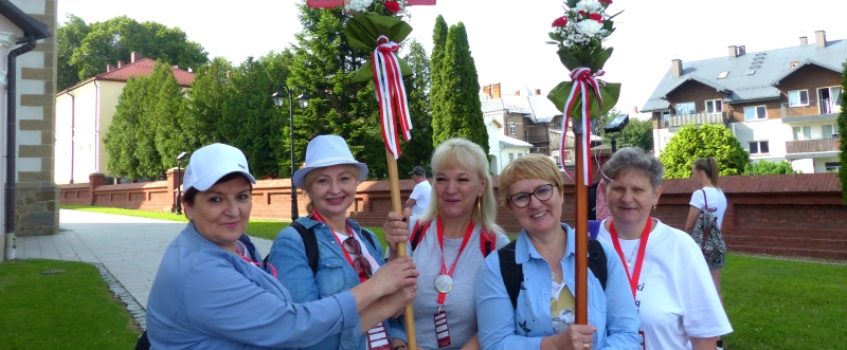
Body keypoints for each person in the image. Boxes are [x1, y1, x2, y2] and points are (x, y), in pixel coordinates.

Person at [146, 143, 418, 349]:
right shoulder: (201, 269)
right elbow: (295, 326)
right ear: (188, 207)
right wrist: (378, 288)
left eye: (241, 197)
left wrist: (396, 334)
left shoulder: (239, 246)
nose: (233, 211)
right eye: (215, 199)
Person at [475, 153, 640, 350]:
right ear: (511, 206)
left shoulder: (600, 255)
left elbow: (626, 333)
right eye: (521, 197)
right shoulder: (497, 268)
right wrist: (552, 345)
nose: (535, 203)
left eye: (543, 191)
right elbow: (494, 344)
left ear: (561, 194)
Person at [267, 135, 410, 350]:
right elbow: (306, 333)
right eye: (322, 180)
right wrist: (383, 304)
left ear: (356, 183)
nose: (335, 190)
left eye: (344, 178)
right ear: (308, 188)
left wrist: (399, 341)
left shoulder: (367, 238)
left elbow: (394, 310)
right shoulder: (293, 242)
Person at [594, 147, 732, 349]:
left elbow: (705, 336)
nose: (627, 197)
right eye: (618, 188)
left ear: (656, 195)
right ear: (604, 191)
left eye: (638, 190)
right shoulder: (587, 242)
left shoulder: (680, 248)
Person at [384, 138, 510, 350]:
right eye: (442, 179)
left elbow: (499, 323)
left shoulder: (495, 244)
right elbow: (389, 309)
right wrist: (399, 345)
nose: (450, 189)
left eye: (462, 180)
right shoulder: (410, 232)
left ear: (481, 186)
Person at [683, 157, 728, 289]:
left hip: (701, 246)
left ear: (701, 172)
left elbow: (689, 226)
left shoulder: (700, 194)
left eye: (694, 172)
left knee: (697, 286)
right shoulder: (720, 194)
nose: (693, 176)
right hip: (717, 245)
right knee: (715, 286)